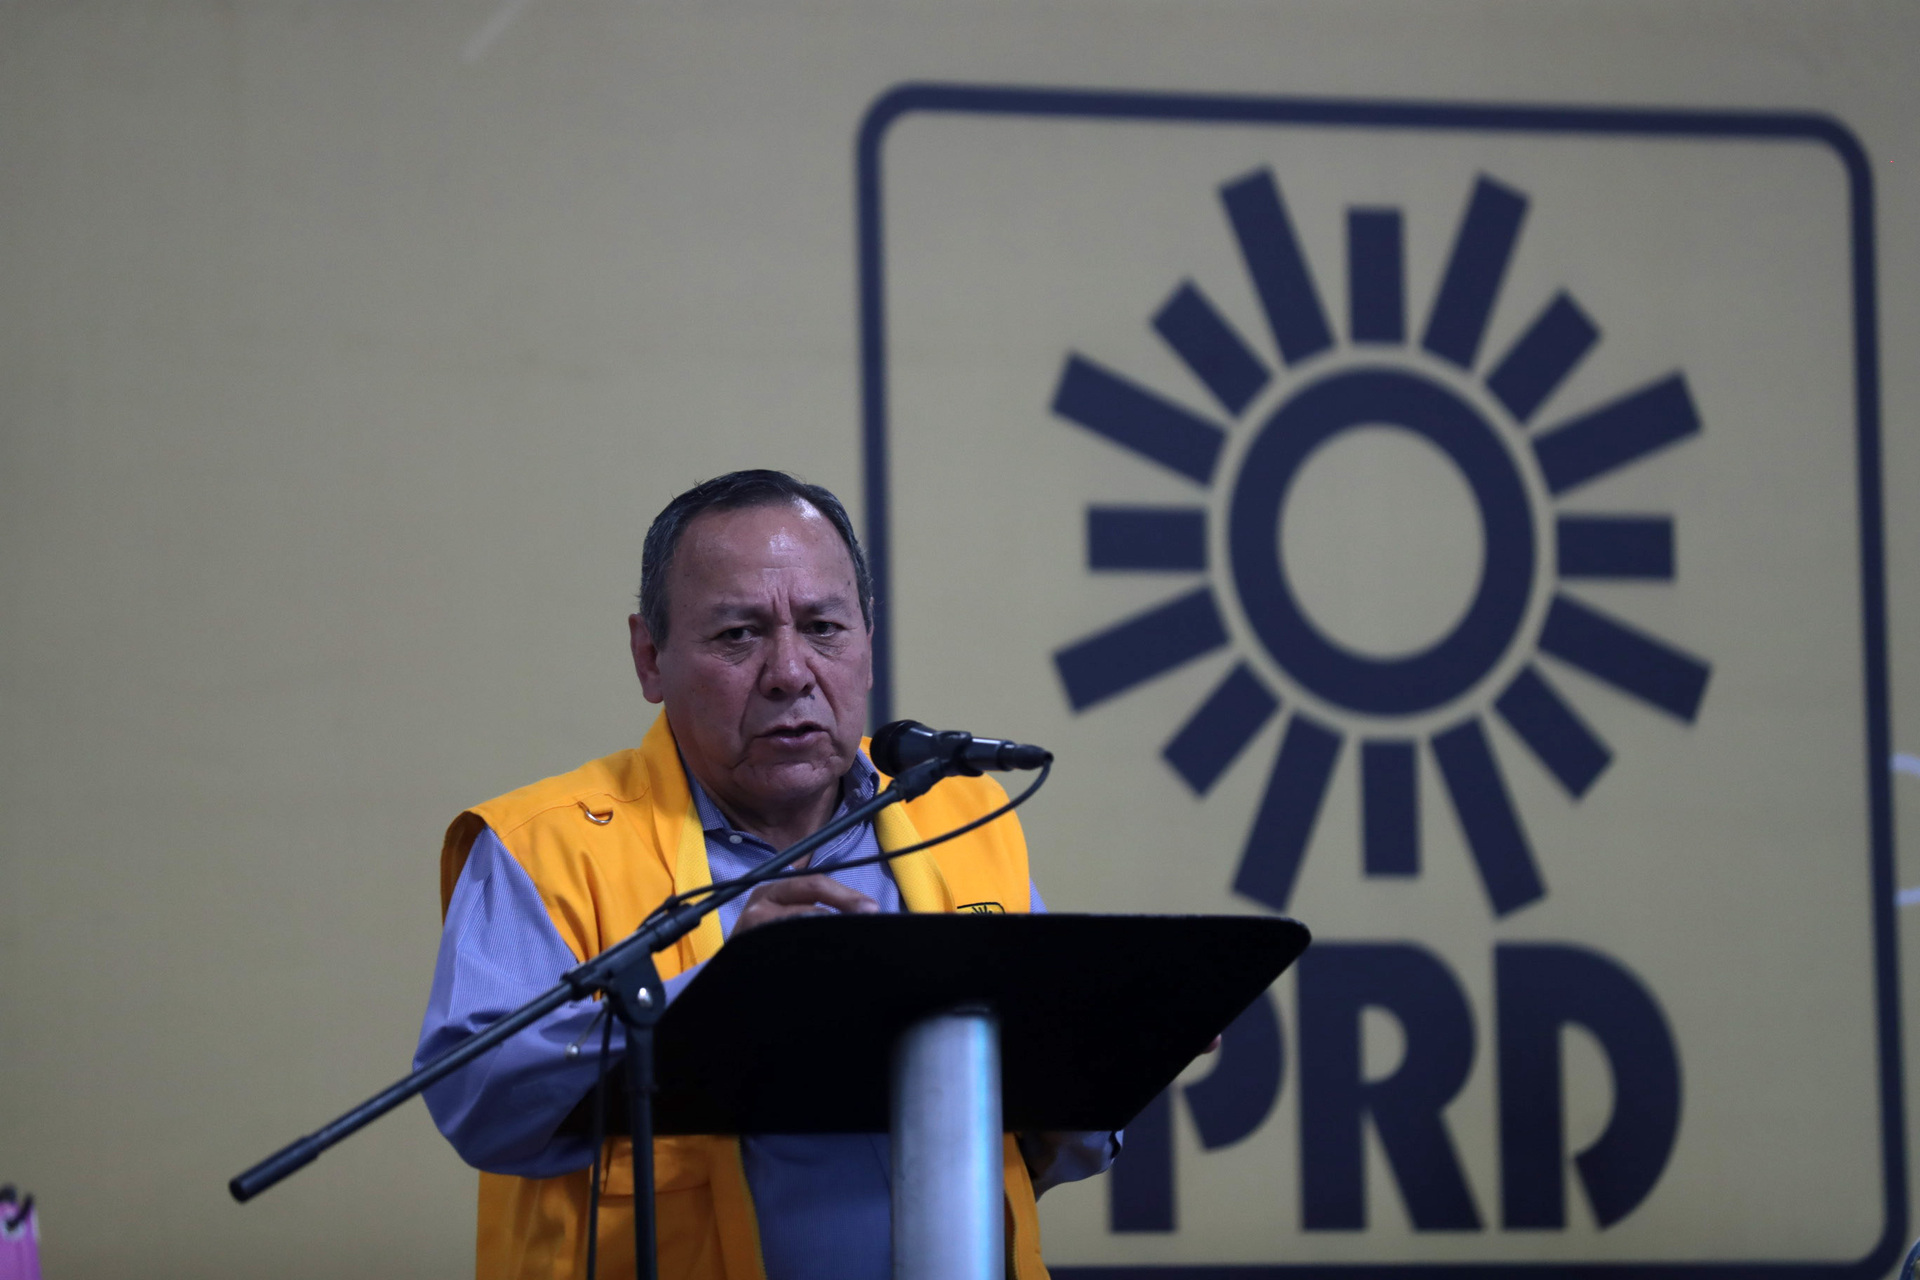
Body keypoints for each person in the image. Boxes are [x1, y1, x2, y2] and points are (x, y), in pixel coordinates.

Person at [415, 470, 1116, 1280]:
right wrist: (716, 999)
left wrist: (1117, 1051)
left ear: (867, 641)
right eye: (738, 635)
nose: (789, 672)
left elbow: (1049, 1143)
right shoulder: (545, 847)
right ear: (649, 657)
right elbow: (477, 1102)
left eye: (823, 627)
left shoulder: (962, 817)